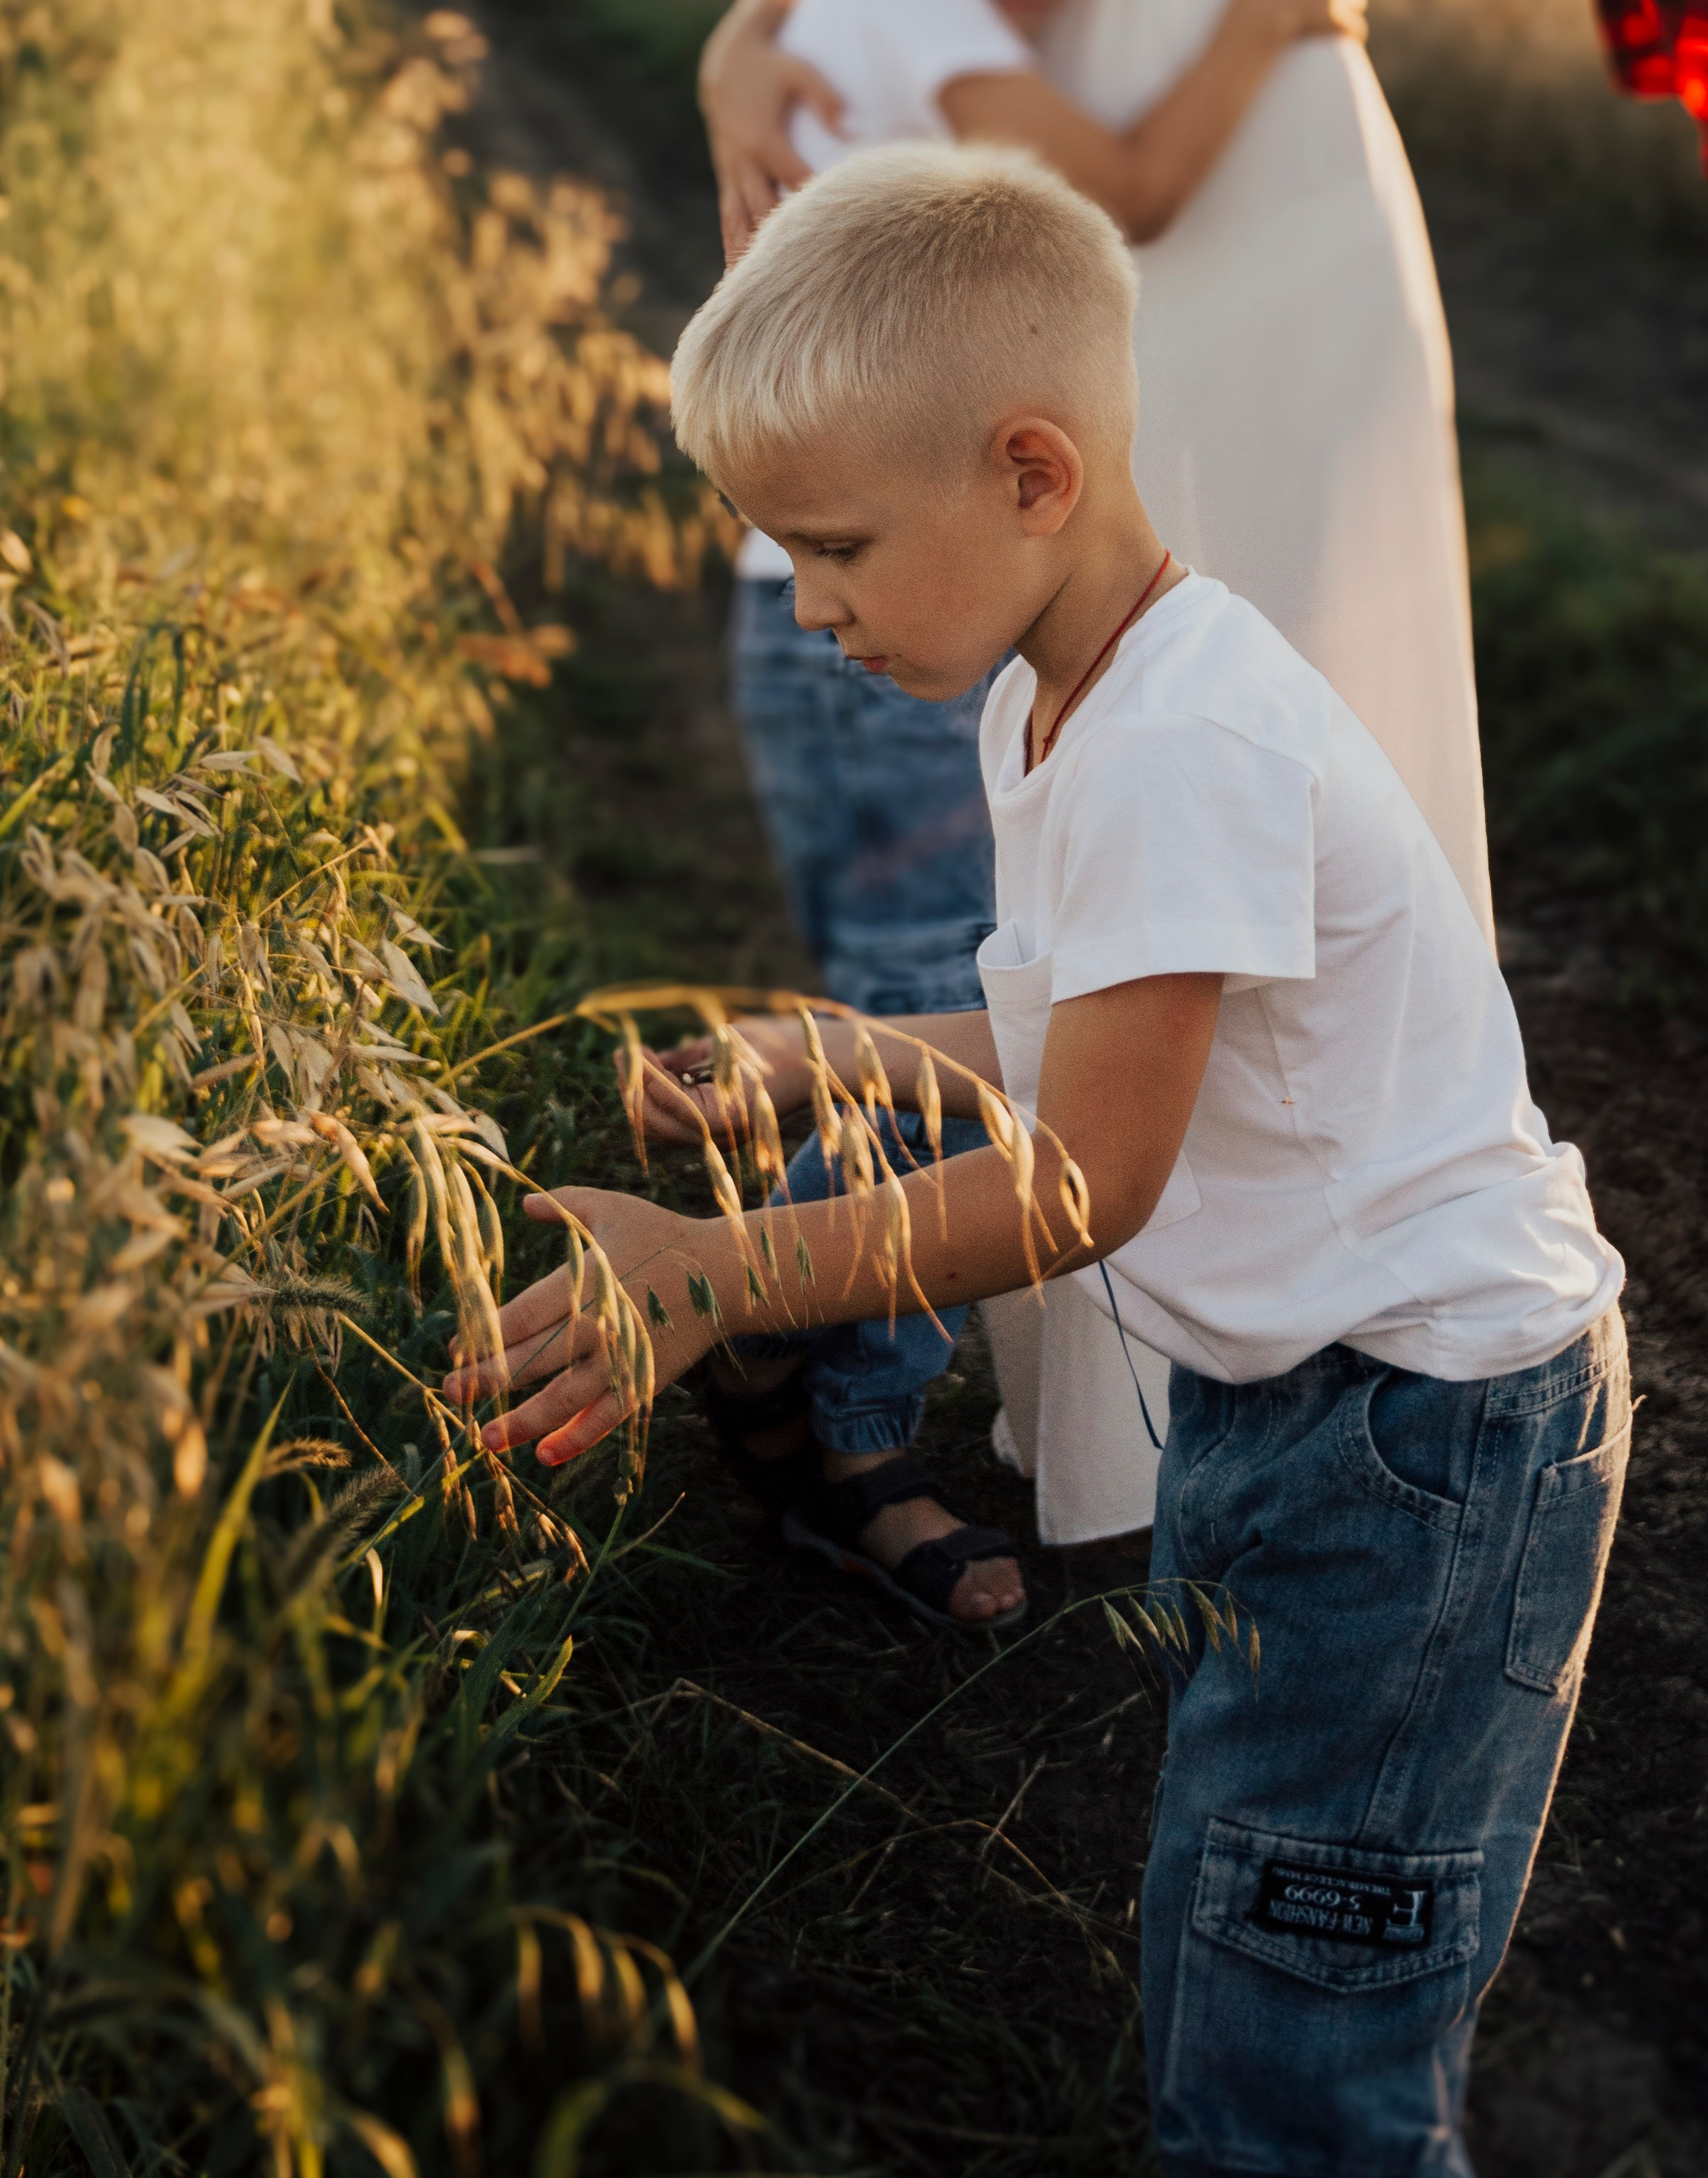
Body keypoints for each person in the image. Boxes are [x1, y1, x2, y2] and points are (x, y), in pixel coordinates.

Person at [447, 146, 1628, 2172]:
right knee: (1237, 1925)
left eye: (828, 549)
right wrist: (836, 1063)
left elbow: (1081, 1186)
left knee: (1303, 2075)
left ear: (1028, 470)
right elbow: (1069, 1039)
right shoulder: (1062, 695)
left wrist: (714, 1272)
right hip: (1316, 1408)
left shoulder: (1178, 744)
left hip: (1424, 1446)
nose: (806, 607)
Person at [698, 0, 1495, 1564]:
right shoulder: (923, 26)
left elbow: (1080, 1159)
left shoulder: (1133, 706)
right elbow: (1123, 188)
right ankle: (829, 1391)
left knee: (985, 972)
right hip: (934, 548)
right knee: (959, 971)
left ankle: (800, 1346)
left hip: (957, 548)